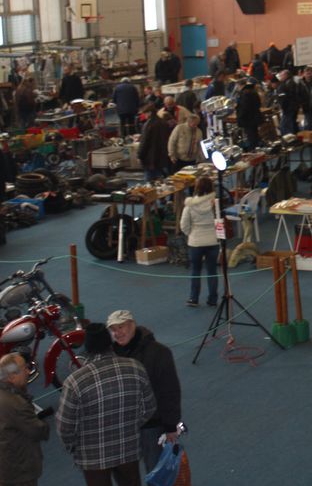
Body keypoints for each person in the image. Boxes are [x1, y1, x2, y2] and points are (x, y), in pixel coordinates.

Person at [57, 322, 156, 485]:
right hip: (128, 449)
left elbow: (65, 428)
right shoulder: (135, 367)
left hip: (92, 457)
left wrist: (75, 447)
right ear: (110, 343)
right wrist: (131, 427)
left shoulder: (75, 381)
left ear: (87, 349)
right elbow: (149, 408)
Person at [107, 310, 182, 473]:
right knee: (126, 476)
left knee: (156, 472)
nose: (118, 333)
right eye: (113, 329)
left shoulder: (159, 353)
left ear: (132, 325)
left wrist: (171, 426)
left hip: (151, 426)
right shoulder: (109, 356)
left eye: (121, 327)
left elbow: (170, 392)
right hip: (122, 427)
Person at [0, 352, 50, 486]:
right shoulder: (15, 403)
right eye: (24, 369)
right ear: (12, 376)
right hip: (19, 471)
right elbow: (39, 431)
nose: (28, 371)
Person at [180, 175, 219, 307]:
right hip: (213, 241)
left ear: (196, 188)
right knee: (212, 271)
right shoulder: (215, 204)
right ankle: (212, 299)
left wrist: (190, 234)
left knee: (196, 271)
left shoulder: (189, 205)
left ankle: (193, 298)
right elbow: (220, 222)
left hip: (196, 242)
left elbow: (184, 225)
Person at [138, 105, 171, 181]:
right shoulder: (163, 123)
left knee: (150, 181)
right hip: (162, 156)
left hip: (150, 158)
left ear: (149, 113)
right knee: (162, 180)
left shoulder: (148, 125)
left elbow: (144, 142)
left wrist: (139, 155)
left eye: (145, 113)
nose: (144, 115)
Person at [235, 80, 262, 148]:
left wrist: (240, 117)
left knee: (251, 136)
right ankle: (257, 148)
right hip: (254, 116)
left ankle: (254, 150)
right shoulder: (252, 91)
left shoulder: (245, 93)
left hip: (248, 119)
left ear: (240, 85)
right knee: (254, 134)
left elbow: (244, 107)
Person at [275, 69, 300, 136]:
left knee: (285, 125)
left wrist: (283, 107)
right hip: (293, 107)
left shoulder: (286, 84)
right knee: (292, 123)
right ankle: (295, 137)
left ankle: (289, 139)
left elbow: (284, 97)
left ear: (286, 75)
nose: (280, 76)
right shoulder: (291, 82)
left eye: (281, 75)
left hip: (288, 108)